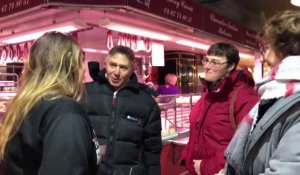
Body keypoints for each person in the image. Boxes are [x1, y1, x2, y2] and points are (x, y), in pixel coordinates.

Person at [0, 32, 100, 175]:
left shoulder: (24, 105)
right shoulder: (65, 112)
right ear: (68, 66)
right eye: (80, 61)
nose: (84, 69)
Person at [224, 10, 300, 175]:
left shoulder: (292, 98)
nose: (264, 53)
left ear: (284, 45)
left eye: (266, 45)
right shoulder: (276, 92)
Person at [179, 42, 259, 175]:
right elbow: (197, 133)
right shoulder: (208, 94)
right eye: (206, 60)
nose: (207, 66)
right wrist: (187, 158)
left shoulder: (245, 96)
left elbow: (246, 143)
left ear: (230, 66)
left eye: (215, 62)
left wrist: (206, 166)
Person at [81, 45, 162, 175]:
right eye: (113, 65)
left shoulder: (147, 103)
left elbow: (152, 151)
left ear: (132, 70)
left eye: (123, 67)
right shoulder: (86, 93)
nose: (117, 72)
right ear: (105, 64)